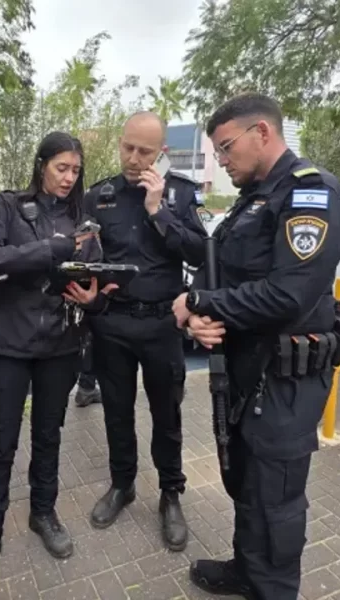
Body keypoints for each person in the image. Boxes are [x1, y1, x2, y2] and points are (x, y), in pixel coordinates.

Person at [172, 93, 340, 600]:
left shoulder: (310, 195)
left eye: (226, 147)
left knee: (276, 497)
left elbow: (288, 296)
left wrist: (200, 301)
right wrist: (197, 317)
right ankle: (248, 570)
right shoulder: (253, 199)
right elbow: (223, 273)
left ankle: (272, 588)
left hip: (286, 379)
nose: (222, 159)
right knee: (247, 481)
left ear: (263, 133)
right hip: (247, 370)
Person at [0, 132, 106, 598]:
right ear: (41, 166)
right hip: (8, 347)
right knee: (0, 444)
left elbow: (95, 281)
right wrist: (47, 251)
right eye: (61, 167)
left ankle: (43, 513)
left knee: (48, 435)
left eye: (76, 170)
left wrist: (93, 295)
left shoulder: (84, 222)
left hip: (60, 346)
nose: (69, 177)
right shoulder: (10, 206)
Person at [81, 111, 207, 552]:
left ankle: (171, 493)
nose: (134, 159)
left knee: (166, 413)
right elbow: (87, 257)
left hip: (161, 324)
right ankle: (123, 484)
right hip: (113, 323)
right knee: (116, 411)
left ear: (161, 152)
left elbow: (200, 252)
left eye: (145, 151)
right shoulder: (99, 196)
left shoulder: (179, 194)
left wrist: (159, 211)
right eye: (128, 148)